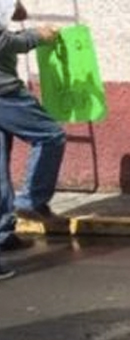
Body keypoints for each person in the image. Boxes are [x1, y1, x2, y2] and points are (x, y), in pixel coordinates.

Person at [0, 0, 62, 280]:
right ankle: (30, 199)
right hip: (4, 93)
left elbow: (18, 12)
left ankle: (3, 232)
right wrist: (38, 36)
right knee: (51, 135)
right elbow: (3, 41)